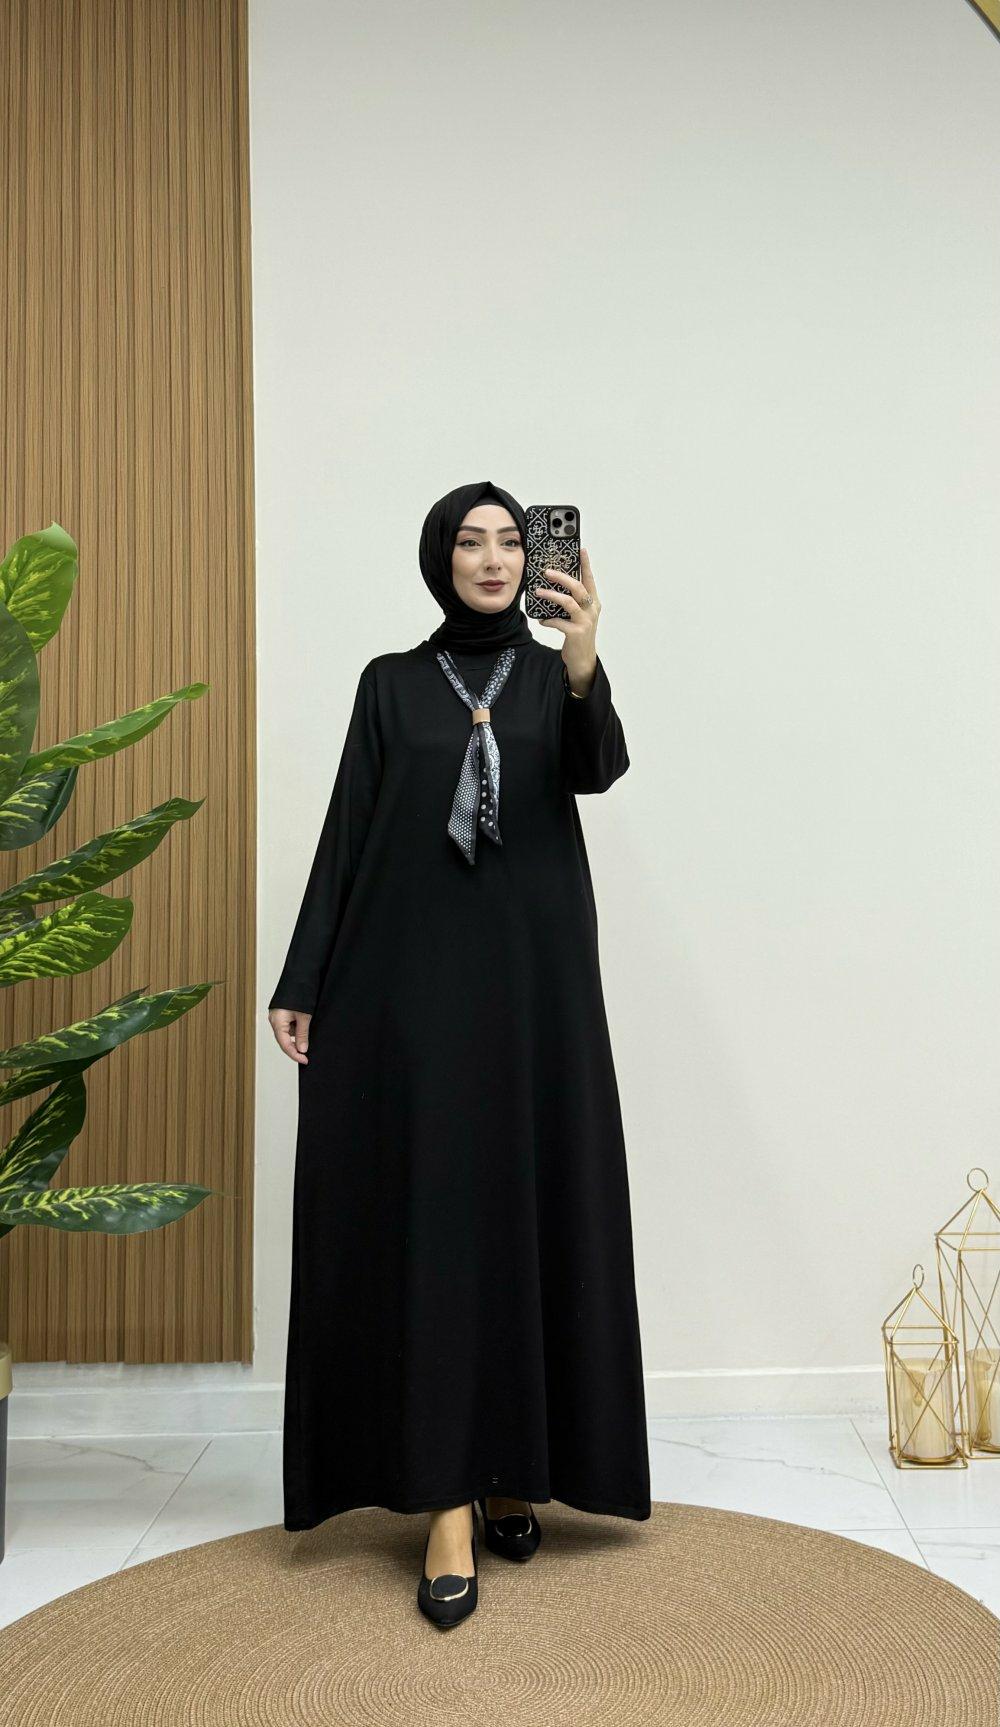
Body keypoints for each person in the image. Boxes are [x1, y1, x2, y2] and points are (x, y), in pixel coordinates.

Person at [268, 480, 650, 1629]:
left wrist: (582, 655)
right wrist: (304, 975)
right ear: (439, 557)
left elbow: (594, 768)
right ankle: (444, 1498)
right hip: (413, 986)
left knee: (523, 1209)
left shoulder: (548, 676)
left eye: (509, 540)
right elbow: (348, 826)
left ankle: (512, 1465)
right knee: (435, 1221)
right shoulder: (390, 683)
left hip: (533, 986)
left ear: (533, 558)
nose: (492, 557)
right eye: (470, 541)